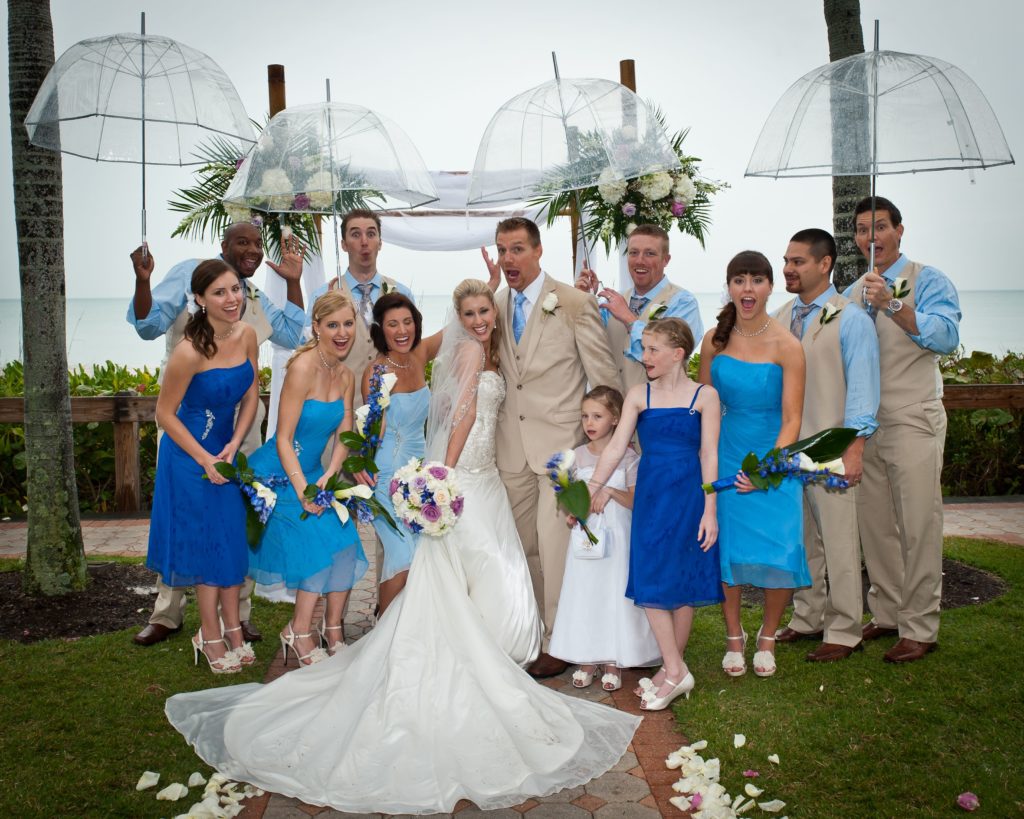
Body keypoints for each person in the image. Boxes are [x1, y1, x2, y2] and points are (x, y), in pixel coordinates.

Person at [164, 279, 638, 815]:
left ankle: (460, 642)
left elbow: (446, 367)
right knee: (429, 562)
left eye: (486, 311)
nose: (480, 319)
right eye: (470, 312)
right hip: (444, 473)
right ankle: (366, 635)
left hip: (475, 474)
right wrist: (443, 475)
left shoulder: (467, 348)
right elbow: (448, 416)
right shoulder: (419, 361)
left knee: (472, 564)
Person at [128, 223, 307, 647]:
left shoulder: (255, 298)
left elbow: (291, 331)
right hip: (189, 428)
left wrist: (295, 283)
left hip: (241, 431)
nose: (251, 250)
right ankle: (168, 612)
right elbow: (147, 324)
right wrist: (143, 281)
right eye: (241, 242)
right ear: (222, 245)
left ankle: (237, 616)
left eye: (257, 244)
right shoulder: (191, 275)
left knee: (236, 522)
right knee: (185, 516)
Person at [489, 216, 621, 678]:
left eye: (517, 249)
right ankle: (534, 629)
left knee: (556, 544)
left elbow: (604, 378)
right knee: (523, 547)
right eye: (502, 250)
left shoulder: (573, 302)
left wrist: (606, 448)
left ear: (538, 251)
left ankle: (559, 641)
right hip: (510, 448)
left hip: (562, 449)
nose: (508, 259)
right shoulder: (494, 304)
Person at [843, 196, 961, 663]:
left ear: (899, 230)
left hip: (914, 415)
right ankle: (888, 611)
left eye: (880, 227)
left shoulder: (928, 280)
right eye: (862, 230)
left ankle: (920, 625)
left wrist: (892, 304)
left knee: (918, 524)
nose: (871, 237)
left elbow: (947, 337)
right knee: (875, 526)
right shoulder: (853, 292)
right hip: (864, 427)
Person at [589, 319, 722, 709]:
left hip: (689, 496)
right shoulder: (637, 395)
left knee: (682, 582)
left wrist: (710, 509)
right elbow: (614, 449)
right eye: (643, 348)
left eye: (651, 349)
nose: (643, 356)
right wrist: (591, 489)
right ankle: (676, 668)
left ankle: (671, 669)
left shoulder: (705, 396)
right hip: (652, 496)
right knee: (650, 578)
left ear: (678, 354)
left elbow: (709, 453)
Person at [145, 259, 259, 674]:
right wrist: (205, 458)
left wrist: (233, 443)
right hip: (190, 458)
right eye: (220, 292)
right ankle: (207, 633)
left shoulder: (247, 334)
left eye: (235, 289)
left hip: (225, 455)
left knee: (228, 541)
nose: (232, 299)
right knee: (205, 547)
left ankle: (233, 628)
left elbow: (251, 394)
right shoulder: (188, 351)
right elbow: (165, 414)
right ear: (199, 299)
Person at [698, 251, 808, 678]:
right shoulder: (714, 340)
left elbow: (793, 417)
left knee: (780, 548)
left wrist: (767, 471)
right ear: (729, 286)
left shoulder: (788, 345)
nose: (748, 289)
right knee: (730, 548)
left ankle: (767, 636)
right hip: (727, 451)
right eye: (739, 280)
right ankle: (733, 636)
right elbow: (706, 403)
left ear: (769, 287)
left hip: (774, 456)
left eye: (757, 280)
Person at [774, 229, 879, 662]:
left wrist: (854, 447)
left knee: (837, 541)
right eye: (786, 260)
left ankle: (844, 630)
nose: (787, 269)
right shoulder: (779, 317)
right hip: (789, 448)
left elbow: (863, 387)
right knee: (802, 540)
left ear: (824, 264)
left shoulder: (850, 317)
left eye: (797, 261)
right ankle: (807, 616)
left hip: (831, 446)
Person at [246, 291, 368, 665]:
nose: (342, 332)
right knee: (316, 547)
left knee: (346, 543)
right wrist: (303, 490)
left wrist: (330, 477)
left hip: (316, 472)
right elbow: (282, 438)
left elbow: (345, 434)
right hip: (278, 474)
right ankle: (297, 631)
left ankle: (332, 629)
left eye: (348, 324)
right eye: (333, 325)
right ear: (316, 327)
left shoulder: (346, 375)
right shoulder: (302, 367)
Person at [549, 386, 660, 692]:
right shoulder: (577, 456)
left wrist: (610, 492)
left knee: (613, 594)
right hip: (587, 541)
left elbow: (637, 501)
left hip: (619, 538)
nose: (589, 422)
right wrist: (572, 512)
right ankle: (588, 657)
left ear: (615, 419)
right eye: (585, 416)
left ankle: (613, 658)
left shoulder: (628, 456)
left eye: (597, 416)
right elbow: (569, 497)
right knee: (587, 593)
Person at [357, 293, 439, 614]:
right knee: (404, 557)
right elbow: (371, 431)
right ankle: (383, 621)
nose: (402, 330)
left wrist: (490, 283)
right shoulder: (376, 373)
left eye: (407, 322)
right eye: (393, 324)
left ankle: (404, 625)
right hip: (386, 476)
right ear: (381, 329)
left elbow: (456, 327)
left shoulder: (418, 356)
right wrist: (360, 469)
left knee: (423, 555)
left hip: (420, 476)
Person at [304, 209, 414, 406]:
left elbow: (414, 353)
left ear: (380, 242)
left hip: (390, 412)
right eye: (355, 234)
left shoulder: (402, 295)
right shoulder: (322, 296)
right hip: (338, 409)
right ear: (344, 245)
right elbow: (307, 355)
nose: (364, 241)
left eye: (371, 234)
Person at [576, 224, 704, 392]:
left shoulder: (684, 303)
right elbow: (585, 345)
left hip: (658, 410)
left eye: (649, 253)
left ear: (666, 260)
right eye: (633, 253)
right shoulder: (612, 302)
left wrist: (629, 319)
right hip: (612, 411)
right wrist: (582, 300)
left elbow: (671, 356)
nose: (639, 260)